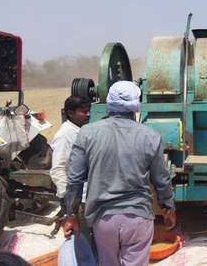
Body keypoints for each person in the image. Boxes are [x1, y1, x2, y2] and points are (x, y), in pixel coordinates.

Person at [62, 81, 176, 266]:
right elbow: (161, 180)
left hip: (103, 220)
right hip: (138, 218)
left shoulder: (87, 133)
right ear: (136, 106)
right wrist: (168, 209)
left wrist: (71, 216)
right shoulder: (151, 136)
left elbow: (74, 179)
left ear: (109, 103)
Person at [49, 95, 91, 233]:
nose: (88, 114)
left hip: (85, 195)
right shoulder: (65, 135)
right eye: (83, 111)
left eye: (88, 110)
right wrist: (68, 201)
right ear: (71, 113)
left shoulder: (82, 131)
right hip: (76, 198)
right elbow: (58, 169)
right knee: (81, 235)